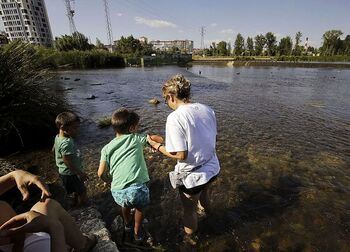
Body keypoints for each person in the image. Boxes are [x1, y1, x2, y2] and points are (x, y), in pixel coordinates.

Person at [147, 74, 220, 246]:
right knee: (205, 195)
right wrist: (166, 143)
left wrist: (157, 147)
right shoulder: (207, 109)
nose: (167, 103)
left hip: (193, 177)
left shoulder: (174, 118)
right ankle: (212, 217)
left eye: (166, 100)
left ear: (171, 96)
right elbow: (207, 138)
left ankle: (190, 240)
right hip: (212, 168)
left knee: (189, 210)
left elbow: (181, 155)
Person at [0, 170, 97, 252]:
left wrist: (14, 175)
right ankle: (81, 245)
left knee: (46, 204)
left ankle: (79, 243)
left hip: (16, 244)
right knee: (51, 210)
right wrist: (53, 227)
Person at [98, 108, 150, 244]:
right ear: (132, 128)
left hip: (117, 191)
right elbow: (152, 139)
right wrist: (157, 142)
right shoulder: (135, 139)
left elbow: (100, 173)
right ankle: (137, 232)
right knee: (140, 207)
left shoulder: (106, 148)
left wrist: (108, 180)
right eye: (137, 126)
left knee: (125, 204)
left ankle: (127, 225)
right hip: (137, 189)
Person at [53, 112, 88, 206]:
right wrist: (80, 173)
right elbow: (67, 161)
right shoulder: (66, 143)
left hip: (65, 172)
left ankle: (75, 203)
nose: (77, 130)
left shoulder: (58, 137)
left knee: (74, 190)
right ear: (63, 128)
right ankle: (83, 207)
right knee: (82, 191)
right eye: (75, 128)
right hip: (71, 173)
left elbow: (54, 148)